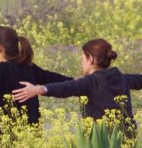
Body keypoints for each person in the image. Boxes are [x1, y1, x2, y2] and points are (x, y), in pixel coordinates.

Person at [12, 38, 142, 140]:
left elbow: (66, 88)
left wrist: (39, 89)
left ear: (90, 59)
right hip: (127, 135)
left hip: (103, 140)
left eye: (82, 59)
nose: (82, 62)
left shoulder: (90, 82)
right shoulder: (122, 78)